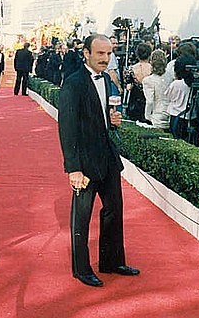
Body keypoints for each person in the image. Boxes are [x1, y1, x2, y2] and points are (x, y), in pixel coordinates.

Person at [58, 34, 139, 287]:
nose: (106, 58)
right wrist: (73, 168)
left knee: (114, 209)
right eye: (100, 54)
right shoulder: (73, 84)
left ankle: (112, 261)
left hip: (107, 156)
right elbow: (67, 128)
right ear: (86, 53)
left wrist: (112, 121)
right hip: (84, 162)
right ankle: (81, 269)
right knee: (81, 218)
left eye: (109, 53)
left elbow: (101, 116)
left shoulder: (106, 79)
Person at [142, 49, 171, 130]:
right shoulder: (171, 77)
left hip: (157, 116)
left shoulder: (147, 81)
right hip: (171, 113)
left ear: (151, 62)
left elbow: (150, 101)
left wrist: (147, 116)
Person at [124, 43, 152, 123]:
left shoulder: (130, 69)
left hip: (135, 101)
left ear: (137, 54)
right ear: (149, 54)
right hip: (149, 100)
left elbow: (128, 87)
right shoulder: (154, 69)